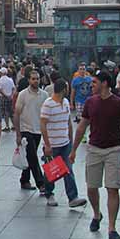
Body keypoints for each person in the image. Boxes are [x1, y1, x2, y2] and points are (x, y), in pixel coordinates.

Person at [70, 71, 120, 239]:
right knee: (92, 187)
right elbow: (81, 127)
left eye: (94, 82)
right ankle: (96, 214)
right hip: (94, 149)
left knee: (112, 188)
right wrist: (73, 150)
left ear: (105, 83)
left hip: (113, 150)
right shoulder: (90, 102)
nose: (91, 85)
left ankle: (112, 227)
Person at [40, 79, 86, 208]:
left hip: (65, 143)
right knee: (51, 171)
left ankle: (73, 197)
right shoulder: (48, 104)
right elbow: (43, 124)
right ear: (63, 90)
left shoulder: (65, 103)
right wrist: (47, 144)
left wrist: (71, 141)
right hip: (52, 144)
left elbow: (68, 122)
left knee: (68, 169)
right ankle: (49, 193)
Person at [15, 68, 49, 194]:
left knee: (30, 155)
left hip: (38, 130)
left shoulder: (44, 95)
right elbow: (17, 114)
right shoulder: (23, 94)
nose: (36, 81)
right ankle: (41, 184)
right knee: (33, 157)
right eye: (33, 79)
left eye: (38, 79)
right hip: (26, 129)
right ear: (29, 80)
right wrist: (18, 133)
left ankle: (24, 180)